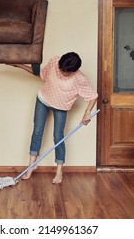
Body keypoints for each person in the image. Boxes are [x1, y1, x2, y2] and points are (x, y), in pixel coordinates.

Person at [10, 52, 98, 184]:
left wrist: (87, 112)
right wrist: (19, 65)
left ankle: (59, 172)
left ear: (75, 71)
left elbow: (93, 96)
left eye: (66, 72)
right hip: (43, 100)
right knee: (37, 132)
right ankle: (31, 166)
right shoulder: (55, 62)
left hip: (61, 107)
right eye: (61, 68)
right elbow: (40, 74)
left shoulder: (79, 78)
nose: (62, 72)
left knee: (58, 138)